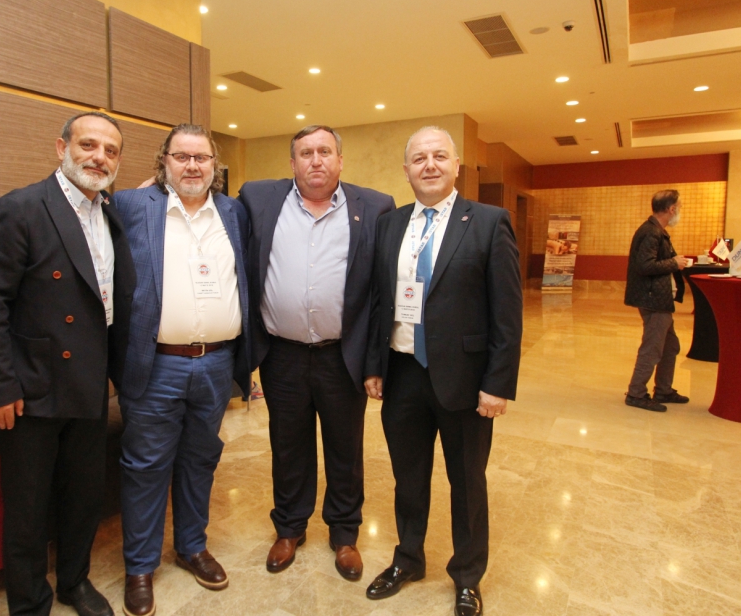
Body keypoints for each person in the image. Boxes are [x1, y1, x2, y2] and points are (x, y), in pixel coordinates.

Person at [0, 112, 134, 616]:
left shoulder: (110, 214)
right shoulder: (19, 209)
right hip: (30, 391)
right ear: (61, 148)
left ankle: (74, 583)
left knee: (83, 497)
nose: (99, 157)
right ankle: (29, 603)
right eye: (88, 145)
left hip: (88, 384)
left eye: (110, 150)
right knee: (28, 509)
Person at [364, 126, 522, 616]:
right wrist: (374, 365)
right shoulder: (390, 224)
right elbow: (379, 301)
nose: (429, 165)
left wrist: (497, 384)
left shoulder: (489, 221)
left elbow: (507, 312)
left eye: (439, 156)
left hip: (466, 380)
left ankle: (467, 576)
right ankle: (408, 559)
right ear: (406, 170)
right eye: (419, 158)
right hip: (403, 373)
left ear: (456, 166)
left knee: (467, 482)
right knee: (408, 477)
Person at [238, 125, 394, 580]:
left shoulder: (376, 207)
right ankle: (289, 527)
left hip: (342, 355)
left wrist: (375, 362)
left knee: (345, 447)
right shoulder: (258, 198)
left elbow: (380, 294)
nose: (316, 160)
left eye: (325, 151)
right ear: (292, 163)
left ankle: (344, 533)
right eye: (305, 153)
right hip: (281, 354)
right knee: (288, 446)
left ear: (340, 160)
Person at [113, 123, 250, 616]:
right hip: (155, 365)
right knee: (146, 467)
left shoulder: (233, 213)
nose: (193, 165)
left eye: (202, 157)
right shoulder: (132, 206)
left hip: (216, 363)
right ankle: (140, 566)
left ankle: (192, 546)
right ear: (164, 162)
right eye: (182, 156)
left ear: (215, 165)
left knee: (200, 460)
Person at [623, 189, 691, 412]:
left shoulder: (657, 231)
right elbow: (644, 266)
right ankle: (636, 393)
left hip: (659, 298)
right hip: (652, 298)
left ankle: (663, 390)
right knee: (652, 348)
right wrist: (674, 263)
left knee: (670, 346)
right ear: (671, 209)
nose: (679, 211)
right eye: (679, 207)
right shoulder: (651, 232)